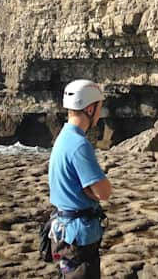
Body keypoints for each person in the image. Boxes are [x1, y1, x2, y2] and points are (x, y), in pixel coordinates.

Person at [48, 79, 112, 279]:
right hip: (79, 237)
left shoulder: (63, 137)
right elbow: (104, 192)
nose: (100, 113)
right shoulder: (79, 145)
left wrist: (87, 189)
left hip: (62, 232)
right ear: (90, 108)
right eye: (100, 107)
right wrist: (90, 191)